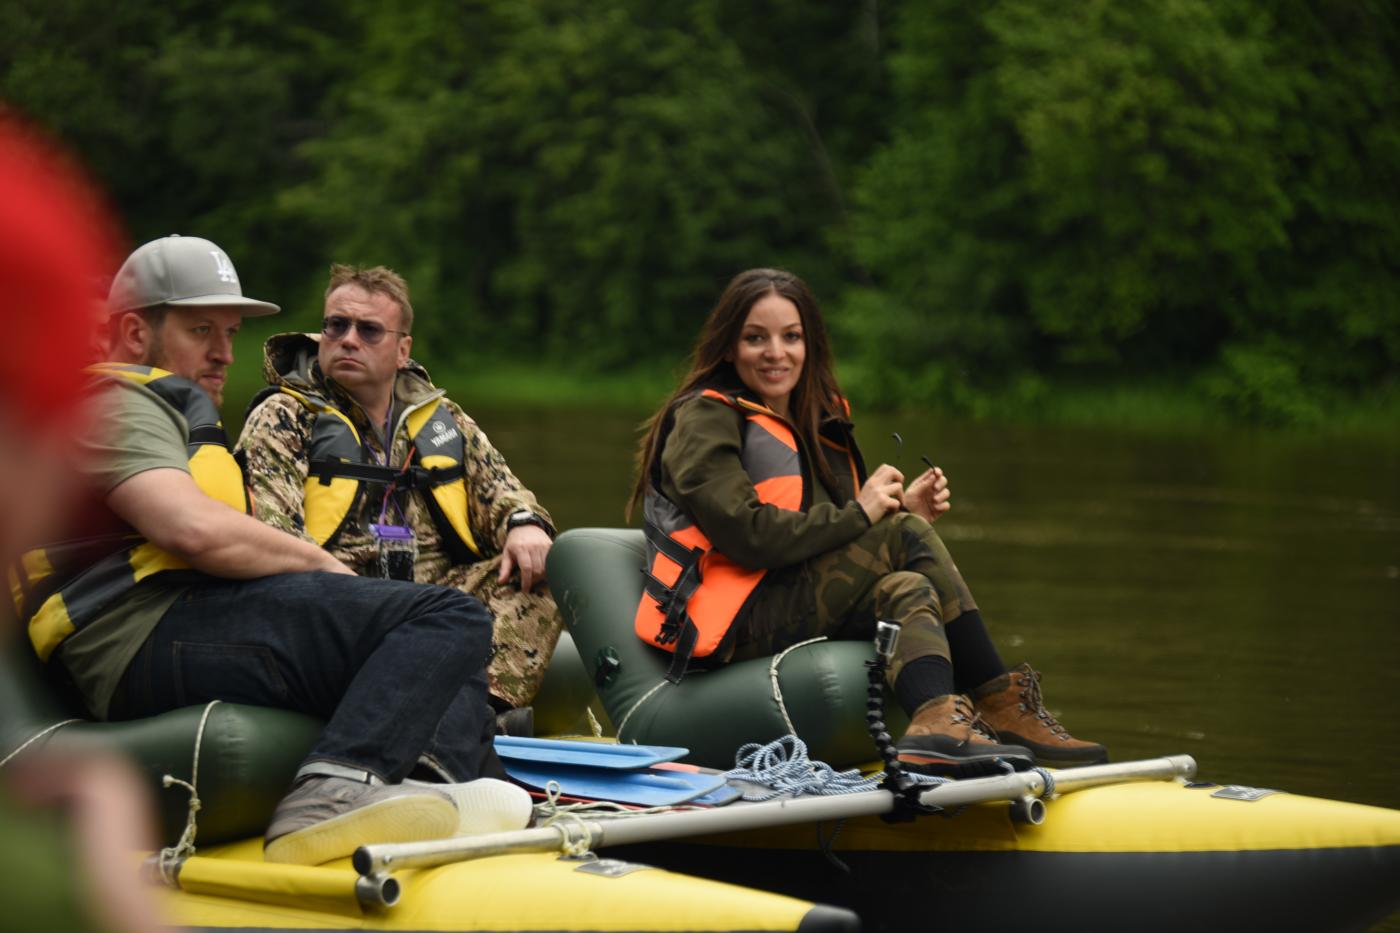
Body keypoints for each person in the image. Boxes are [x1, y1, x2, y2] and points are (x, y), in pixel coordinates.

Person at [11, 234, 512, 867]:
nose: (225, 354)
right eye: (203, 332)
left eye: (230, 333)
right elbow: (190, 529)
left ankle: (439, 789)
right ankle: (332, 797)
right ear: (135, 335)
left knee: (448, 637)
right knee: (444, 616)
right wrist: (327, 571)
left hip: (192, 615)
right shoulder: (113, 402)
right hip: (137, 637)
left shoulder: (165, 409)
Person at [628, 268, 1107, 776]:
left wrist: (900, 517)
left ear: (809, 344)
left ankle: (934, 726)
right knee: (902, 536)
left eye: (791, 337)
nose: (776, 352)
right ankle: (999, 701)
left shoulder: (816, 422)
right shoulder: (703, 420)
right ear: (728, 347)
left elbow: (828, 534)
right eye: (755, 338)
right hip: (727, 623)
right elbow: (750, 537)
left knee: (907, 584)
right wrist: (873, 517)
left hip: (786, 597)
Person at [236, 264, 562, 723]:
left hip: (435, 594)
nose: (349, 339)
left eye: (369, 330)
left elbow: (504, 492)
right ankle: (438, 715)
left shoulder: (442, 419)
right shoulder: (284, 416)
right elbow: (272, 536)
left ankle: (479, 713)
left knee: (547, 566)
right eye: (336, 325)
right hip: (337, 596)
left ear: (402, 349)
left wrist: (524, 524)